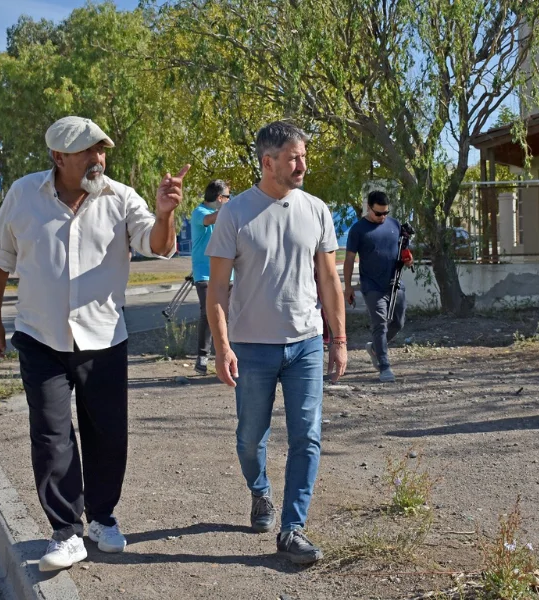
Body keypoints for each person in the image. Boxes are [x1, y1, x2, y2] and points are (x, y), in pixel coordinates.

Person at [0, 116, 188, 571]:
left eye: (102, 151)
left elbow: (157, 245)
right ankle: (65, 530)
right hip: (41, 337)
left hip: (104, 338)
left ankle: (103, 519)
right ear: (59, 157)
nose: (98, 160)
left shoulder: (120, 197)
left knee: (108, 434)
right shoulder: (23, 195)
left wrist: (166, 212)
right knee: (52, 435)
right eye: (88, 152)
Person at [206, 120, 347, 565]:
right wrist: (222, 346)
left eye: (303, 155)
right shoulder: (235, 213)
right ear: (268, 162)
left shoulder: (317, 210)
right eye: (293, 157)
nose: (302, 164)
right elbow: (217, 290)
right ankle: (260, 491)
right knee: (250, 438)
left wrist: (338, 338)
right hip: (251, 348)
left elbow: (329, 278)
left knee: (308, 436)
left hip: (305, 344)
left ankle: (293, 528)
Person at [343, 191, 413, 383]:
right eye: (378, 213)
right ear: (368, 208)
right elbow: (349, 260)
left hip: (394, 283)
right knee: (380, 324)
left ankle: (374, 347)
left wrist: (408, 259)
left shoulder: (394, 224)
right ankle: (384, 365)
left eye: (386, 213)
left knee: (398, 322)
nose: (383, 217)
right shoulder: (358, 230)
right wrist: (348, 287)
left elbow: (402, 250)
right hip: (372, 285)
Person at [190, 179, 231, 374]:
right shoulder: (200, 212)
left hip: (227, 274)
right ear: (219, 198)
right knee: (208, 313)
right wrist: (227, 208)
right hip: (204, 273)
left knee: (230, 315)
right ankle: (202, 357)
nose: (230, 200)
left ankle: (225, 353)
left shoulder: (224, 214)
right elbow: (209, 220)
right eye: (228, 197)